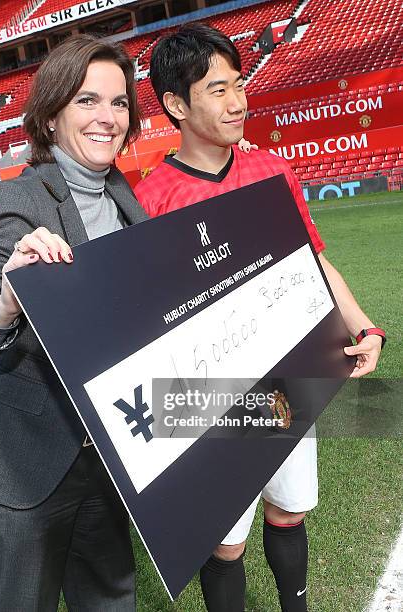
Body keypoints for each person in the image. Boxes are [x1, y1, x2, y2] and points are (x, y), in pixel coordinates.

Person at [134, 23, 385, 612]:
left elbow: (314, 261)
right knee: (224, 541)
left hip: (285, 374)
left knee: (290, 509)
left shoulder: (272, 172)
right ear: (175, 104)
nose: (238, 100)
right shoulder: (150, 201)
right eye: (217, 89)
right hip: (208, 391)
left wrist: (363, 325)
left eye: (239, 84)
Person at [0, 34, 149, 612]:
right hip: (29, 460)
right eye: (87, 101)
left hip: (109, 450)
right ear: (51, 115)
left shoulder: (127, 197)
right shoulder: (19, 201)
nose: (108, 117)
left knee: (109, 600)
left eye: (120, 102)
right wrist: (6, 303)